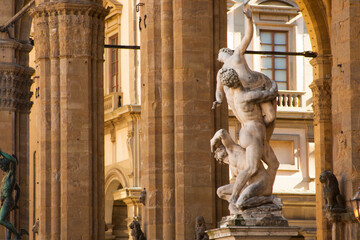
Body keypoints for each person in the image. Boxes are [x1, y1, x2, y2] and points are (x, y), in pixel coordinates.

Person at [212, 6, 279, 210]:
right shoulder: (244, 85)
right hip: (253, 129)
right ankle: (235, 201)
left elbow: (218, 93)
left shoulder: (222, 74)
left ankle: (266, 194)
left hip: (248, 128)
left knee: (274, 164)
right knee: (251, 167)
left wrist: (218, 101)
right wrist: (272, 88)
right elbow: (247, 38)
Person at [0, 150, 27, 240]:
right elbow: (18, 190)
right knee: (6, 222)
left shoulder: (11, 175)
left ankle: (17, 234)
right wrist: (15, 203)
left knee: (1, 220)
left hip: (8, 200)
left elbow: (14, 161)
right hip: (5, 201)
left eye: (2, 164)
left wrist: (1, 152)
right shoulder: (6, 177)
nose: (0, 167)